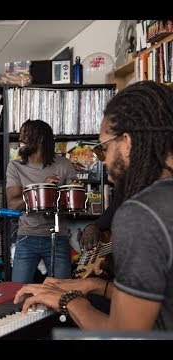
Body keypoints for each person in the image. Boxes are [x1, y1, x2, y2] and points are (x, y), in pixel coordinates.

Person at [14, 80, 173, 331]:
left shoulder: (141, 212)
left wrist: (68, 300)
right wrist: (97, 286)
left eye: (103, 149)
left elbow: (124, 335)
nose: (104, 162)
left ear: (127, 143)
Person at [6, 119, 80, 284]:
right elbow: (13, 204)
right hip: (26, 237)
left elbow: (72, 203)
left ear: (40, 138)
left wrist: (73, 191)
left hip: (58, 238)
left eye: (25, 135)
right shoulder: (15, 166)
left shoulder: (64, 164)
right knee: (17, 293)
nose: (20, 139)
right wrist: (42, 189)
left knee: (62, 293)